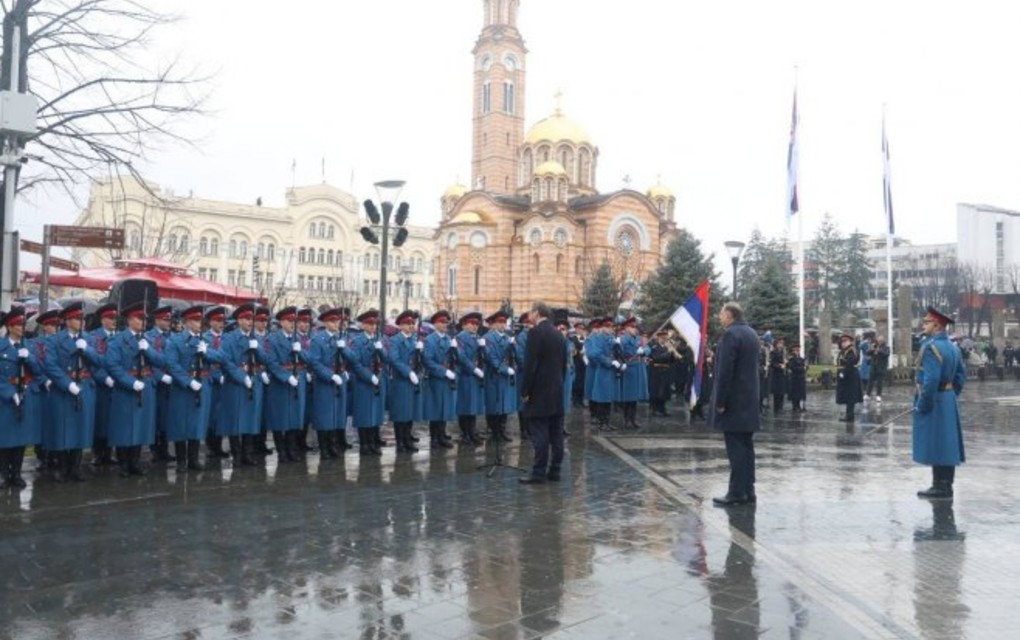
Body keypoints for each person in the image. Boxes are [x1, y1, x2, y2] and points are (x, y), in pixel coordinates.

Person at [104, 302, 168, 478]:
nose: (143, 322)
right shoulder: (118, 339)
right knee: (124, 427)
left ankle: (135, 461)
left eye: (144, 319)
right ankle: (123, 463)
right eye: (140, 319)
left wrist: (148, 351)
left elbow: (162, 361)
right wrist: (130, 382)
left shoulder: (146, 340)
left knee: (141, 426)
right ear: (130, 319)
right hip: (127, 388)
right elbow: (112, 364)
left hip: (145, 387)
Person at [708, 302, 761, 506]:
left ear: (729, 315)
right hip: (748, 399)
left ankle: (736, 492)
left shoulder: (731, 335)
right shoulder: (751, 333)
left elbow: (724, 373)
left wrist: (720, 401)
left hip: (734, 401)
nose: (719, 317)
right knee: (747, 447)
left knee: (736, 448)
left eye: (721, 313)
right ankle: (749, 490)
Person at [914, 307, 967, 499]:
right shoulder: (953, 347)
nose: (923, 325)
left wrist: (923, 403)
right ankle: (945, 484)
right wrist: (951, 394)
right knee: (947, 443)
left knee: (937, 442)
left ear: (937, 325)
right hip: (947, 398)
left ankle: (939, 485)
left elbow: (930, 379)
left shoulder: (931, 347)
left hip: (934, 398)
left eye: (927, 322)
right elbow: (961, 376)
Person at [162, 305, 218, 472]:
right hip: (183, 387)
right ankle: (181, 461)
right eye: (195, 320)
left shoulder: (205, 340)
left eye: (200, 320)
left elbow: (221, 357)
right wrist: (188, 381)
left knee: (197, 423)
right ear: (186, 322)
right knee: (181, 424)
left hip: (201, 384)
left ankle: (193, 459)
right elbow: (172, 365)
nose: (199, 323)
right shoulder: (175, 340)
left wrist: (207, 352)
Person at [519, 301, 566, 485]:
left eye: (530, 311)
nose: (529, 315)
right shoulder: (558, 333)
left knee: (539, 432)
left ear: (537, 313)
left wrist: (525, 390)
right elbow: (562, 364)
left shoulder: (535, 332)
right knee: (556, 433)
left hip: (539, 391)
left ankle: (538, 472)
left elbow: (530, 365)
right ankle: (555, 470)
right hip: (556, 389)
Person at [0, 307, 43, 490]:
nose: (21, 328)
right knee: (5, 438)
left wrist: (30, 358)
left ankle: (16, 473)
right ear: (9, 327)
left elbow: (39, 372)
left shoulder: (29, 346)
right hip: (6, 398)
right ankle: (3, 474)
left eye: (23, 324)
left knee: (20, 440)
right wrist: (9, 393)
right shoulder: (1, 347)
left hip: (25, 395)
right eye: (18, 324)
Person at [264, 306, 309, 463]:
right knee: (280, 419)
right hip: (281, 384)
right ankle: (281, 451)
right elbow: (271, 363)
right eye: (290, 321)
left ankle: (291, 449)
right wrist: (286, 377)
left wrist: (300, 351)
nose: (292, 324)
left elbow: (307, 359)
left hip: (298, 382)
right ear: (282, 322)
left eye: (294, 321)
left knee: (294, 417)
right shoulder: (273, 339)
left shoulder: (298, 339)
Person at [306, 307, 350, 458]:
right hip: (325, 382)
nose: (336, 324)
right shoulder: (318, 340)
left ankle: (333, 445)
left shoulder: (340, 339)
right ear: (325, 322)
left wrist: (344, 368)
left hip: (339, 381)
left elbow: (351, 358)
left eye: (337, 321)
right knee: (324, 415)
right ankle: (324, 448)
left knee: (337, 414)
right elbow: (315, 363)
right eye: (332, 321)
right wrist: (331, 376)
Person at [387, 310, 424, 453]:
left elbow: (419, 362)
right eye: (407, 324)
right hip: (401, 381)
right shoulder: (395, 340)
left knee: (410, 413)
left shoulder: (414, 340)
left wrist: (421, 352)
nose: (411, 326)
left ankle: (408, 439)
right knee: (400, 414)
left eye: (412, 324)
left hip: (413, 381)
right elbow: (394, 359)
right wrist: (408, 372)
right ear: (400, 326)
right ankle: (400, 442)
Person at [421, 311, 457, 450]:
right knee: (435, 409)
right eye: (442, 322)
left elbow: (455, 358)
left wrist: (455, 349)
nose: (444, 325)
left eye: (446, 323)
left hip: (448, 380)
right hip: (436, 379)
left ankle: (442, 435)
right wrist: (444, 371)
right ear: (435, 324)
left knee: (445, 408)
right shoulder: (430, 340)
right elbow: (428, 361)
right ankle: (434, 438)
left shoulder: (449, 339)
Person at [483, 311, 518, 443]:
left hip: (504, 377)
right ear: (494, 324)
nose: (503, 325)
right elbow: (491, 358)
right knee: (493, 404)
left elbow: (512, 357)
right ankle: (494, 432)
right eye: (500, 322)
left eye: (504, 322)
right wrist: (505, 369)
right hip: (494, 376)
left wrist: (513, 366)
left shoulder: (508, 338)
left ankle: (501, 431)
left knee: (504, 404)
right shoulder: (488, 338)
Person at [454, 312, 486, 446]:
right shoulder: (460, 338)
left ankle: (472, 432)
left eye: (477, 324)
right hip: (466, 376)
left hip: (474, 377)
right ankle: (465, 433)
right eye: (472, 324)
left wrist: (483, 348)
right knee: (465, 406)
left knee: (473, 406)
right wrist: (474, 369)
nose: (475, 327)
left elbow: (482, 357)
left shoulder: (477, 338)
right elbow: (461, 357)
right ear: (464, 324)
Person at [617, 317, 649, 430]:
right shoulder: (623, 339)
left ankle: (633, 419)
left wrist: (644, 351)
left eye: (635, 327)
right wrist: (635, 351)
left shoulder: (639, 338)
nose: (635, 329)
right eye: (632, 327)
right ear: (626, 328)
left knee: (635, 397)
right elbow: (622, 351)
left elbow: (648, 348)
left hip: (639, 368)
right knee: (628, 396)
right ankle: (626, 420)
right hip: (629, 368)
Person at [835, 332, 863, 422]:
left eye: (845, 341)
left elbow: (850, 363)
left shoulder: (851, 351)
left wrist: (843, 373)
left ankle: (850, 416)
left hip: (850, 375)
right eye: (842, 341)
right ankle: (849, 415)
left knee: (851, 397)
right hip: (845, 375)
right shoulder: (843, 351)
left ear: (850, 341)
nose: (843, 343)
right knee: (848, 396)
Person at [647, 330, 675, 417]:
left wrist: (673, 353)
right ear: (658, 338)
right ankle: (654, 409)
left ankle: (662, 409)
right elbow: (657, 358)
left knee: (664, 392)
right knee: (656, 391)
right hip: (657, 372)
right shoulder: (654, 348)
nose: (664, 340)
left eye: (665, 338)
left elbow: (672, 361)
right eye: (662, 338)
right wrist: (668, 352)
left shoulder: (667, 348)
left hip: (666, 371)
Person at [867, 335, 890, 401]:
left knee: (879, 382)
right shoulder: (874, 346)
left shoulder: (886, 347)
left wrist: (879, 351)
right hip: (873, 366)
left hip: (881, 367)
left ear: (883, 341)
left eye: (881, 341)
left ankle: (878, 395)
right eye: (879, 340)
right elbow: (867, 353)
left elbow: (886, 354)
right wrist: (872, 349)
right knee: (870, 381)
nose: (879, 342)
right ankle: (868, 394)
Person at [768, 337, 787, 415]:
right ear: (776, 344)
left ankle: (781, 407)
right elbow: (772, 363)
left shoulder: (783, 352)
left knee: (782, 391)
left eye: (782, 343)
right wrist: (779, 366)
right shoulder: (773, 352)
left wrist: (786, 363)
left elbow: (785, 362)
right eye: (779, 343)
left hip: (782, 373)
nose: (781, 345)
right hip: (776, 374)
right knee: (777, 392)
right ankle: (776, 408)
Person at [786, 344, 807, 413]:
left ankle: (798, 406)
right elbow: (793, 367)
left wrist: (805, 367)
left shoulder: (801, 358)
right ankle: (795, 406)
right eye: (796, 350)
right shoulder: (792, 359)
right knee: (795, 393)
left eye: (798, 350)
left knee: (800, 393)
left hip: (801, 377)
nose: (797, 351)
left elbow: (804, 365)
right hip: (795, 377)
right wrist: (802, 368)